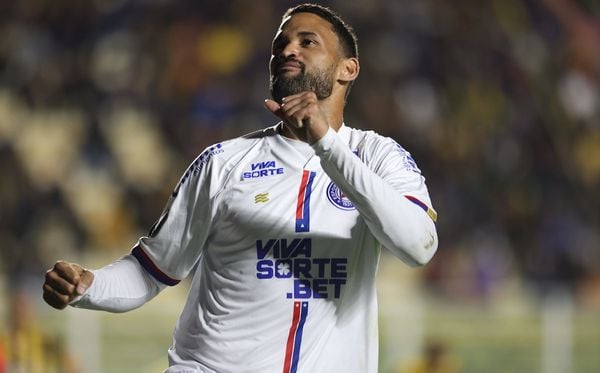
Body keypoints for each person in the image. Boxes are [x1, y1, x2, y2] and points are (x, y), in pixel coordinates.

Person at [42, 4, 438, 373]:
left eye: (307, 41)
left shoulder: (378, 158)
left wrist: (327, 145)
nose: (287, 50)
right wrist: (88, 286)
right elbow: (152, 271)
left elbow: (418, 245)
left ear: (347, 69)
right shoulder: (222, 164)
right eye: (280, 44)